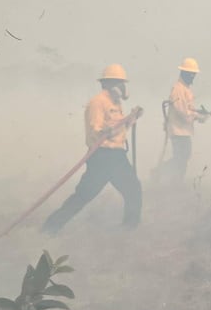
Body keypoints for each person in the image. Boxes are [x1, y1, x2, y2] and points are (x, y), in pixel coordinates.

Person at [41, 64, 144, 233]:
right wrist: (110, 129)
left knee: (133, 189)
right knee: (84, 195)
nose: (121, 87)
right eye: (118, 83)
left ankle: (130, 228)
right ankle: (50, 227)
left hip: (117, 156)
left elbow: (120, 129)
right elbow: (97, 131)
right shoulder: (97, 102)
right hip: (102, 156)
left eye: (122, 83)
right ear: (107, 83)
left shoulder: (116, 103)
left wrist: (132, 118)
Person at [163, 57, 210, 185]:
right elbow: (183, 112)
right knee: (180, 158)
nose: (193, 77)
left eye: (194, 74)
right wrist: (198, 116)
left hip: (184, 130)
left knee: (184, 157)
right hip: (178, 130)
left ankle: (171, 178)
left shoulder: (185, 89)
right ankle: (170, 178)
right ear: (184, 73)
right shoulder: (178, 89)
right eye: (191, 74)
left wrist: (200, 113)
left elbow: (189, 109)